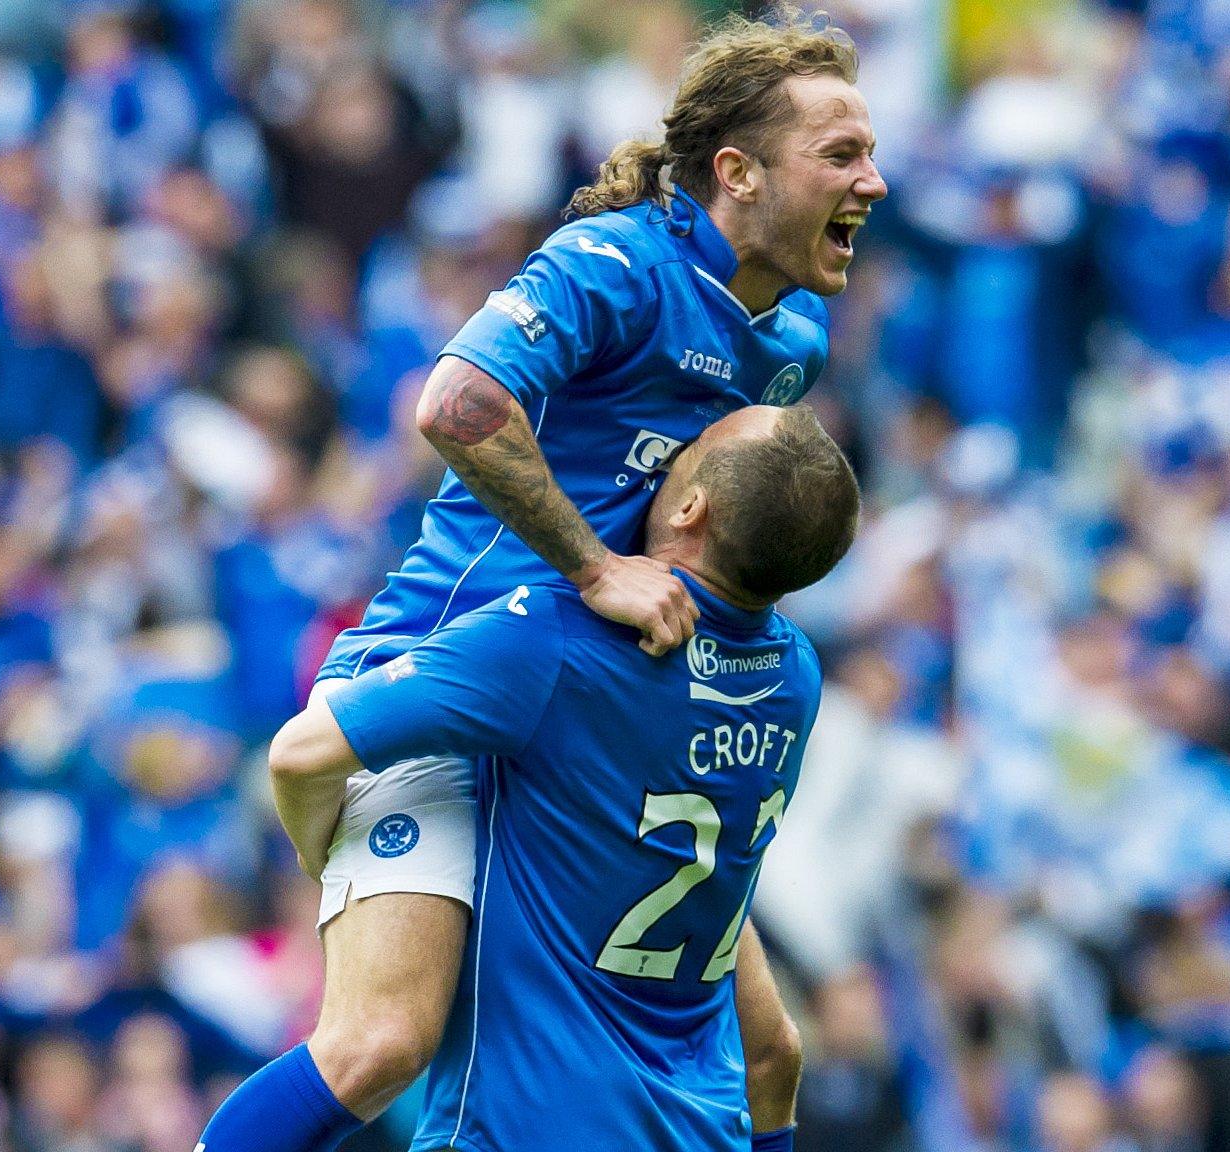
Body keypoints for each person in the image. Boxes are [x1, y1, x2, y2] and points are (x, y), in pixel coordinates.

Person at [196, 7, 886, 1152]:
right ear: (738, 172)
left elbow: (729, 523)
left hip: (592, 716)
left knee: (772, 1050)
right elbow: (454, 407)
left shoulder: (792, 343)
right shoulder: (611, 263)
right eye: (841, 155)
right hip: (455, 671)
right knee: (382, 1046)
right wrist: (594, 568)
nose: (872, 180)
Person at [271, 404, 861, 1150]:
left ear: (690, 505)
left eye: (694, 446)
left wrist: (314, 849)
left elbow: (299, 755)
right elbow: (772, 1055)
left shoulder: (559, 641)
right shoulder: (798, 677)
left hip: (526, 1128)